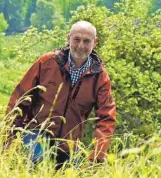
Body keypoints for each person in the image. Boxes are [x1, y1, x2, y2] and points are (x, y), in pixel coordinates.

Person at [6, 20, 116, 166]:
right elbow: (19, 101)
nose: (81, 46)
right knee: (37, 165)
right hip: (36, 136)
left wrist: (97, 156)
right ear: (68, 38)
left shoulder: (100, 77)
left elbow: (106, 118)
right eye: (76, 39)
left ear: (94, 43)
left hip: (68, 145)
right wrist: (8, 140)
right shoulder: (46, 63)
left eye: (86, 41)